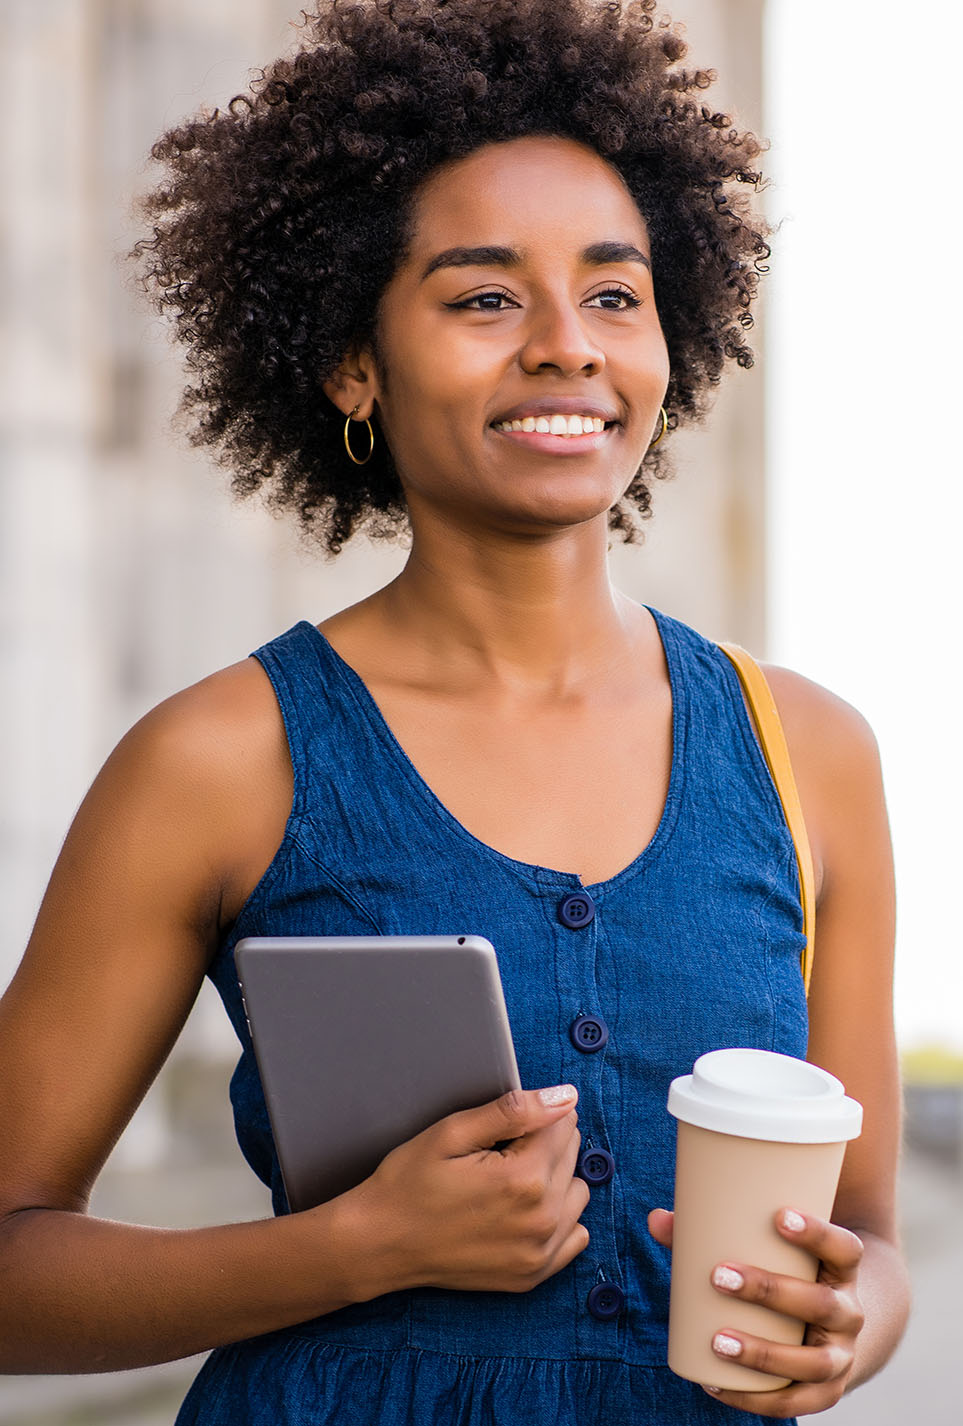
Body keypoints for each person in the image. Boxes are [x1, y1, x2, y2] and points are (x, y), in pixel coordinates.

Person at [0, 1, 909, 1421]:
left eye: (615, 293)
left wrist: (848, 1324)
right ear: (353, 363)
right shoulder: (218, 759)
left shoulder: (813, 757)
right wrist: (350, 1250)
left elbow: (871, 1231)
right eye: (485, 297)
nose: (566, 345)